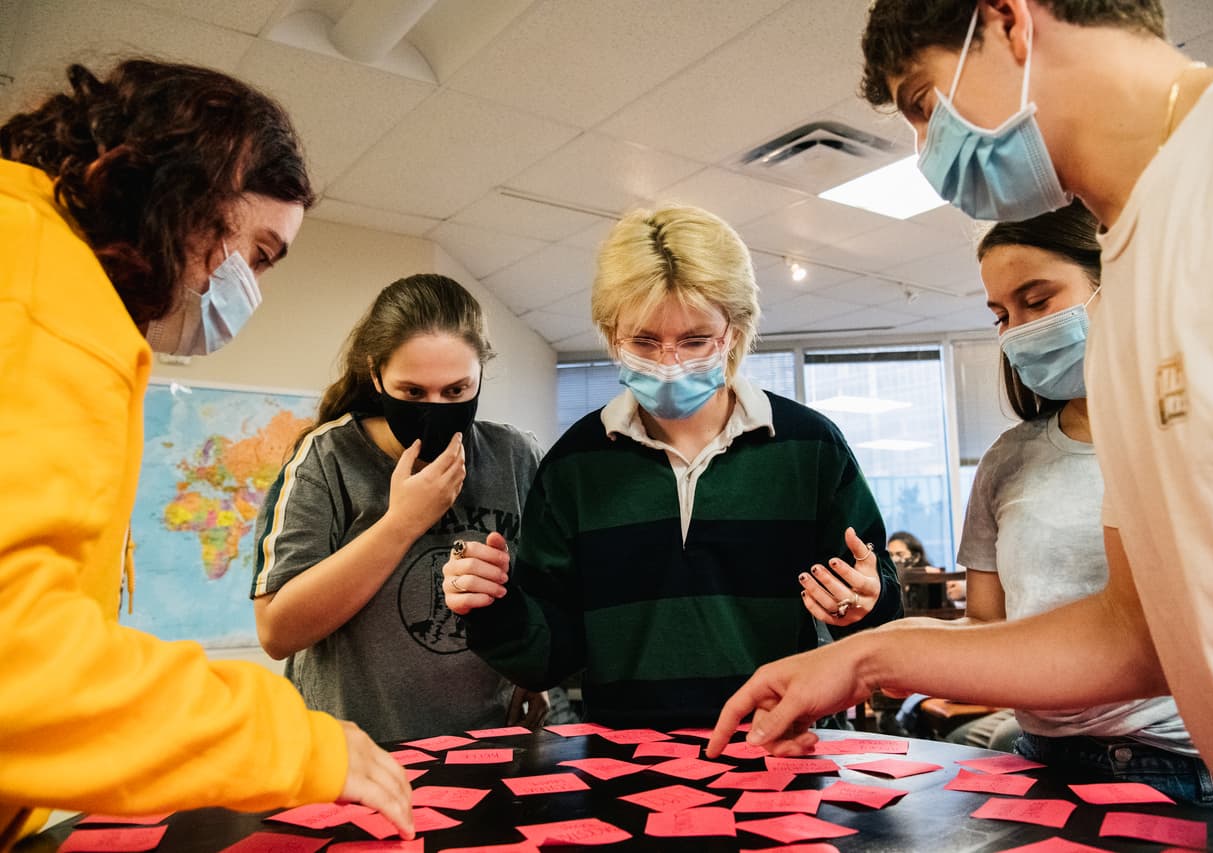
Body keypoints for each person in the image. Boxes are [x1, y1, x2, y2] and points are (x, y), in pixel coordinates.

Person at [709, 1, 1213, 842]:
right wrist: (864, 654)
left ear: (1009, 21)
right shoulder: (1122, 306)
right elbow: (1131, 630)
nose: (924, 149)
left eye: (921, 103)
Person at [0, 59, 412, 849]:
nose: (248, 288)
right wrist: (296, 743)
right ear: (190, 191)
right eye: (257, 253)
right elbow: (21, 659)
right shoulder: (47, 295)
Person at [442, 204, 902, 728]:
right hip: (625, 769)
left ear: (733, 331)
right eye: (644, 341)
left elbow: (874, 605)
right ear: (611, 333)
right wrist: (490, 605)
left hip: (778, 753)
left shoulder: (809, 447)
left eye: (694, 340)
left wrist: (868, 602)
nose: (668, 363)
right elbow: (550, 657)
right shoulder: (576, 463)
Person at [957, 201, 1213, 807]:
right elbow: (986, 628)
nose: (1018, 330)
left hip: (1185, 768)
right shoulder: (1007, 459)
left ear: (1113, 283)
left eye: (1038, 300)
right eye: (1001, 314)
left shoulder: (1190, 429)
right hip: (1040, 758)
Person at [251, 274, 547, 743]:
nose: (436, 407)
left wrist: (535, 669)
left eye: (456, 391)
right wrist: (402, 523)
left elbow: (550, 594)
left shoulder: (515, 455)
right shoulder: (327, 459)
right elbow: (277, 631)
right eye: (412, 392)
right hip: (354, 750)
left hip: (487, 743)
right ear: (376, 375)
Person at [888, 530, 963, 606]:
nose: (894, 559)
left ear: (916, 557)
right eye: (890, 555)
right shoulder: (886, 580)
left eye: (900, 554)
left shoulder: (931, 578)